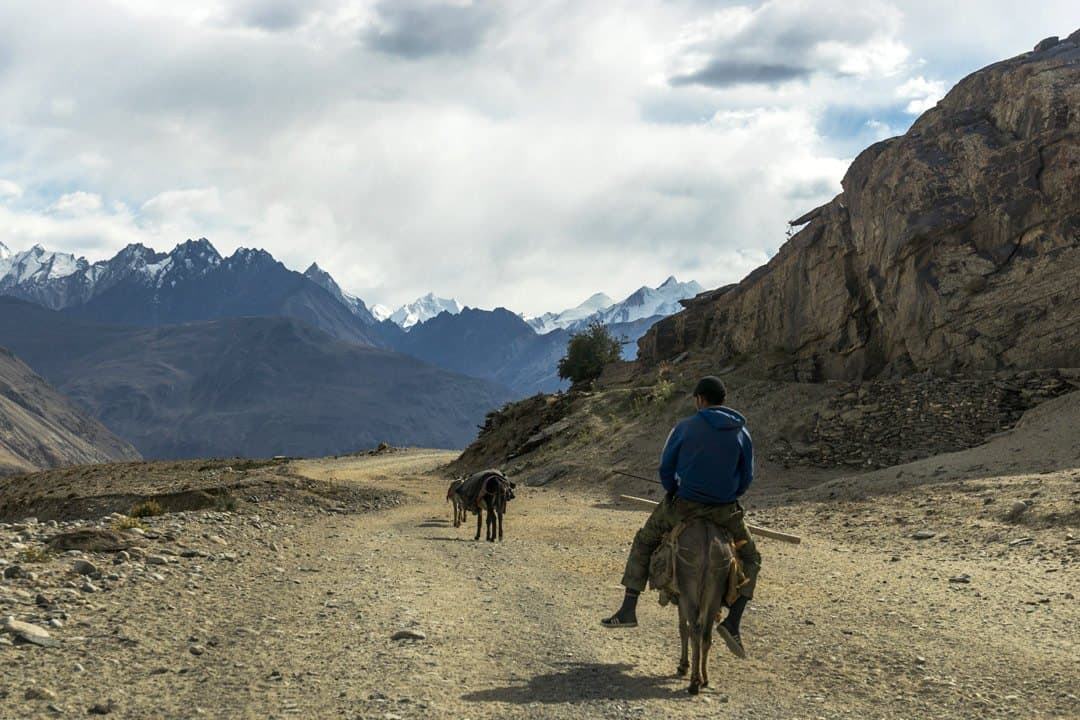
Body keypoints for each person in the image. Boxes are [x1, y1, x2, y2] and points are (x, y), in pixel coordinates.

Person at [600, 375, 761, 659]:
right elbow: (747, 477)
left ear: (700, 399)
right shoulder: (742, 432)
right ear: (723, 401)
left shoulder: (684, 427)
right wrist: (728, 494)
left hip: (683, 505)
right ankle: (733, 622)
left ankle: (628, 608)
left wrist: (674, 490)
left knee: (644, 541)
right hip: (725, 510)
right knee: (752, 559)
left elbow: (666, 468)